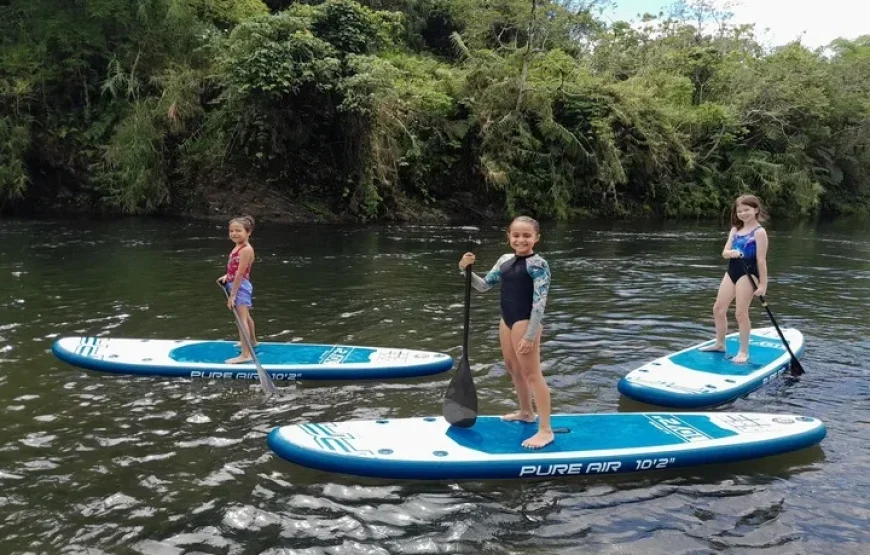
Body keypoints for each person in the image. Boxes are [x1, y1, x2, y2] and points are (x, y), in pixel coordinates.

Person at [458, 216, 553, 449]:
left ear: (536, 238)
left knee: (532, 374)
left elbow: (540, 303)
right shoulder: (504, 260)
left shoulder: (539, 264)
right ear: (509, 237)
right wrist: (465, 270)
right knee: (513, 368)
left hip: (526, 322)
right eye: (516, 235)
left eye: (527, 236)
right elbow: (484, 286)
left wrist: (531, 335)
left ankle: (545, 430)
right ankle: (525, 412)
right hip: (506, 320)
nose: (521, 240)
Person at [700, 195, 769, 364]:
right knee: (718, 308)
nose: (743, 213)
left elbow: (761, 260)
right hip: (732, 271)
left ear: (756, 210)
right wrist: (731, 253)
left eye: (747, 210)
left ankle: (743, 352)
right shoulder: (735, 230)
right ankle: (720, 344)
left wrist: (763, 284)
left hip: (748, 274)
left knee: (740, 313)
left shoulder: (759, 232)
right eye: (739, 211)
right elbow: (724, 252)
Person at [217, 215, 257, 364]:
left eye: (238, 230)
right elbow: (236, 269)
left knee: (241, 320)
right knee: (246, 317)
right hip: (235, 283)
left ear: (248, 232)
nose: (234, 233)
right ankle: (252, 341)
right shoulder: (238, 247)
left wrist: (232, 295)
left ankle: (245, 355)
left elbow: (241, 273)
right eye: (231, 230)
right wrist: (226, 276)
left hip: (240, 287)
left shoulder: (246, 250)